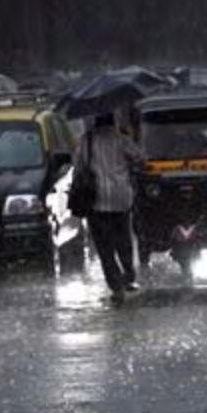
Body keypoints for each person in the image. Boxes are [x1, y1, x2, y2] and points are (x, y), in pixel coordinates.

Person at [75, 112, 144, 302]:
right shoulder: (122, 139)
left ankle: (116, 286)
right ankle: (129, 276)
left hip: (96, 201)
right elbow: (139, 158)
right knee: (124, 240)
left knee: (104, 247)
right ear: (113, 119)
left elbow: (78, 167)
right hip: (121, 199)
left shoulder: (86, 141)